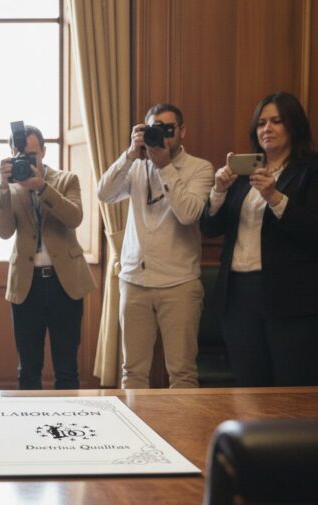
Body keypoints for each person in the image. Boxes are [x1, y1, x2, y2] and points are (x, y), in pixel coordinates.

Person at [200, 92, 318, 387]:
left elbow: (317, 230)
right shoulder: (243, 172)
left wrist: (274, 197)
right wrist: (219, 190)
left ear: (293, 125)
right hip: (239, 296)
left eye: (277, 121)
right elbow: (211, 229)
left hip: (294, 299)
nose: (267, 128)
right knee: (251, 391)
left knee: (293, 394)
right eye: (262, 122)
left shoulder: (317, 169)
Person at [97, 103, 214, 389]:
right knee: (132, 373)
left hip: (179, 283)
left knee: (182, 373)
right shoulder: (136, 166)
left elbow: (188, 214)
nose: (161, 135)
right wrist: (129, 155)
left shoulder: (200, 168)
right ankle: (135, 434)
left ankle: (181, 435)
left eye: (168, 128)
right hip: (134, 281)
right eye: (154, 128)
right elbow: (104, 193)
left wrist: (164, 168)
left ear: (182, 131)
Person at [0, 124, 96, 390]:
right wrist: (3, 188)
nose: (27, 160)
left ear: (43, 150)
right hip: (26, 286)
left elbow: (74, 217)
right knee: (28, 370)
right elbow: (4, 231)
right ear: (11, 152)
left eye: (32, 154)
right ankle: (29, 428)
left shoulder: (67, 180)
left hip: (65, 285)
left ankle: (68, 428)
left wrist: (42, 187)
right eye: (20, 153)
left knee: (66, 368)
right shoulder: (11, 185)